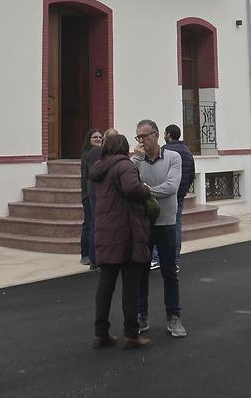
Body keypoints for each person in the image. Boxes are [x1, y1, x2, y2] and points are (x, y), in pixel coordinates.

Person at [88, 133, 152, 349]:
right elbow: (131, 188)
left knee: (106, 284)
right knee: (130, 286)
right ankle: (131, 334)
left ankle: (101, 332)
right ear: (124, 149)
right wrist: (146, 190)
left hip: (106, 231)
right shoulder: (125, 165)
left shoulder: (100, 167)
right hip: (126, 232)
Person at [131, 119, 186, 337]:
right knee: (141, 272)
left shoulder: (173, 157)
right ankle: (141, 316)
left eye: (144, 136)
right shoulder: (138, 160)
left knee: (169, 272)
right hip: (143, 224)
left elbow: (171, 187)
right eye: (138, 137)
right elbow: (127, 181)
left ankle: (174, 317)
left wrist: (145, 191)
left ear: (155, 135)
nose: (141, 140)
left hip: (166, 223)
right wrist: (136, 159)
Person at [163, 123, 196, 266]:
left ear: (168, 135)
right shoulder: (187, 151)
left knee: (161, 224)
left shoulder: (164, 150)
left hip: (165, 193)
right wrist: (185, 188)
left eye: (165, 133)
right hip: (180, 193)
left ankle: (159, 257)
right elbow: (192, 174)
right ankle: (175, 258)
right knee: (177, 224)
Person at [80, 128, 104, 268]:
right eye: (95, 137)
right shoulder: (88, 155)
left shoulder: (100, 153)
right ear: (89, 140)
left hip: (94, 194)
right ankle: (85, 254)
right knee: (89, 223)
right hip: (89, 195)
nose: (98, 139)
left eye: (100, 137)